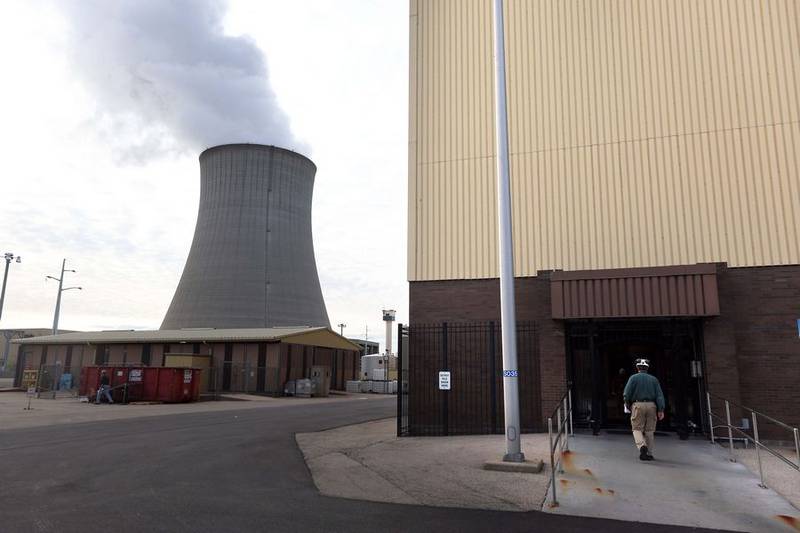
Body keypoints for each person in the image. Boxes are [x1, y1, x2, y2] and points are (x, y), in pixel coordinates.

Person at [623, 358, 665, 461]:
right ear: (647, 368)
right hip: (651, 406)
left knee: (636, 428)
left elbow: (627, 393)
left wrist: (627, 403)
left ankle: (642, 446)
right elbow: (659, 396)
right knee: (650, 431)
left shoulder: (633, 378)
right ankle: (649, 454)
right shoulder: (654, 379)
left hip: (638, 405)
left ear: (637, 367)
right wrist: (661, 409)